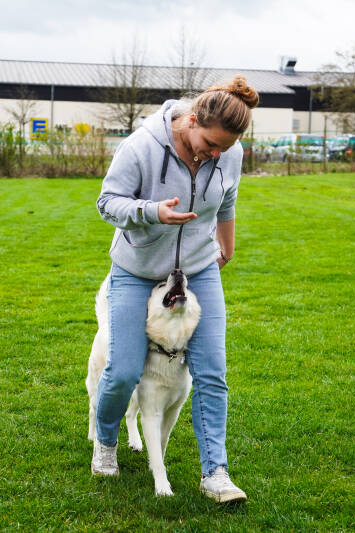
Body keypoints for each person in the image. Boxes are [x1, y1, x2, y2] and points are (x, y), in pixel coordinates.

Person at [93, 75, 258, 503]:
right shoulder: (141, 146)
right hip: (137, 269)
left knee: (211, 370)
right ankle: (105, 442)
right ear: (190, 120)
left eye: (224, 148)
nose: (216, 153)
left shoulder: (230, 151)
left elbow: (227, 199)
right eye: (210, 143)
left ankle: (215, 474)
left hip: (197, 269)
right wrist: (151, 212)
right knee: (124, 370)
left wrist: (227, 244)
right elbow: (107, 202)